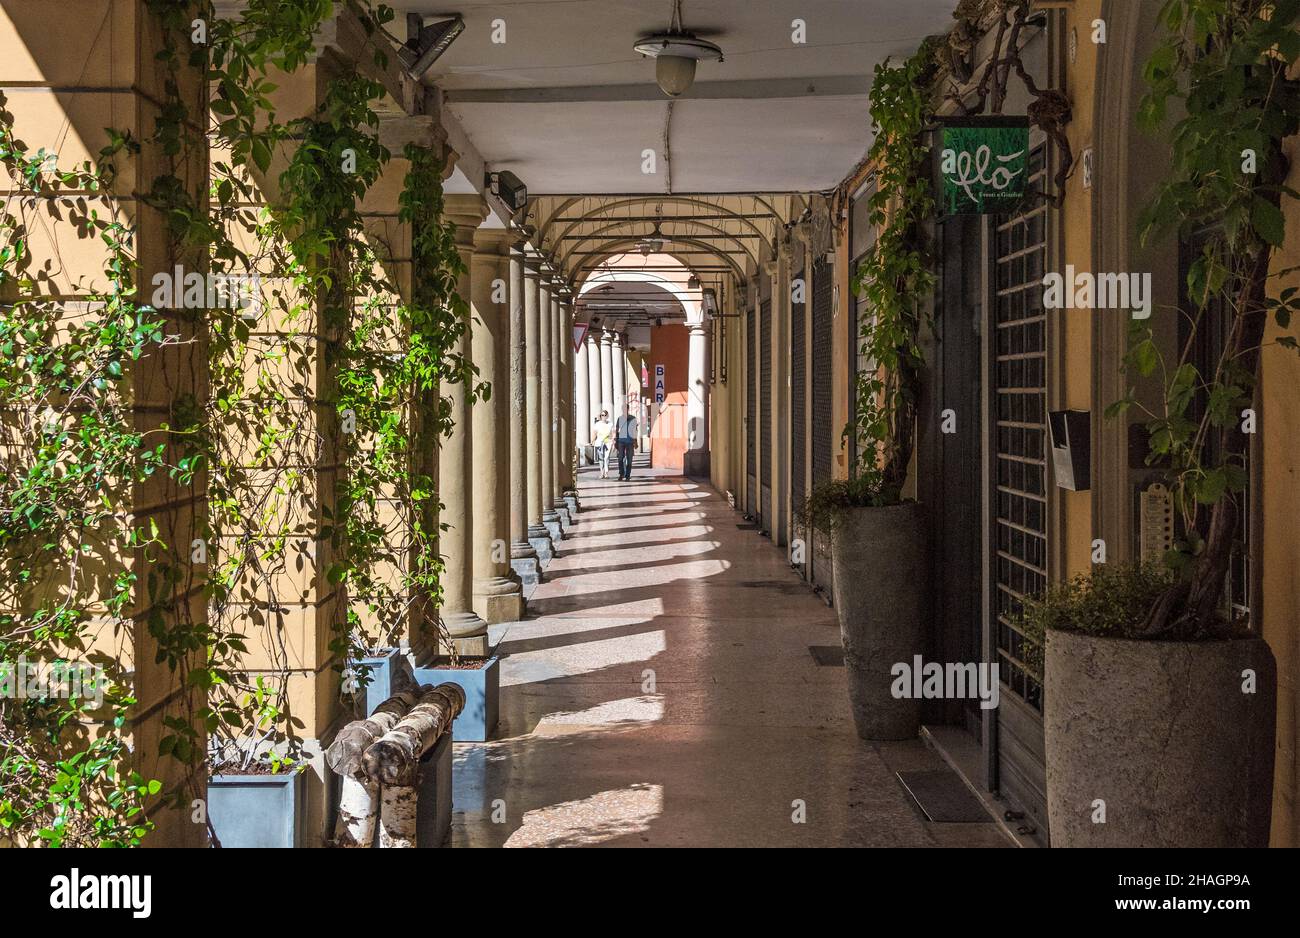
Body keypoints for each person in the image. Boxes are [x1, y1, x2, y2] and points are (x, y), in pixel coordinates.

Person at [614, 401, 639, 482]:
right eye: (623, 409)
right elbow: (617, 430)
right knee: (620, 458)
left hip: (630, 441)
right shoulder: (620, 419)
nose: (624, 410)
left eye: (626, 409)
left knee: (629, 459)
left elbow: (635, 430)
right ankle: (621, 474)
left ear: (628, 409)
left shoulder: (633, 418)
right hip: (621, 441)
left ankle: (627, 475)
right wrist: (616, 441)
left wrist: (636, 442)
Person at [592, 410, 613, 479]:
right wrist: (593, 441)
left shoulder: (610, 424)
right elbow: (594, 433)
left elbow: (612, 433)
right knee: (601, 458)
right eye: (602, 415)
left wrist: (613, 440)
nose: (603, 417)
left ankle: (606, 473)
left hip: (608, 442)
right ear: (600, 416)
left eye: (604, 415)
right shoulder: (597, 424)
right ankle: (601, 472)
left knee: (606, 458)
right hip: (599, 442)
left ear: (607, 416)